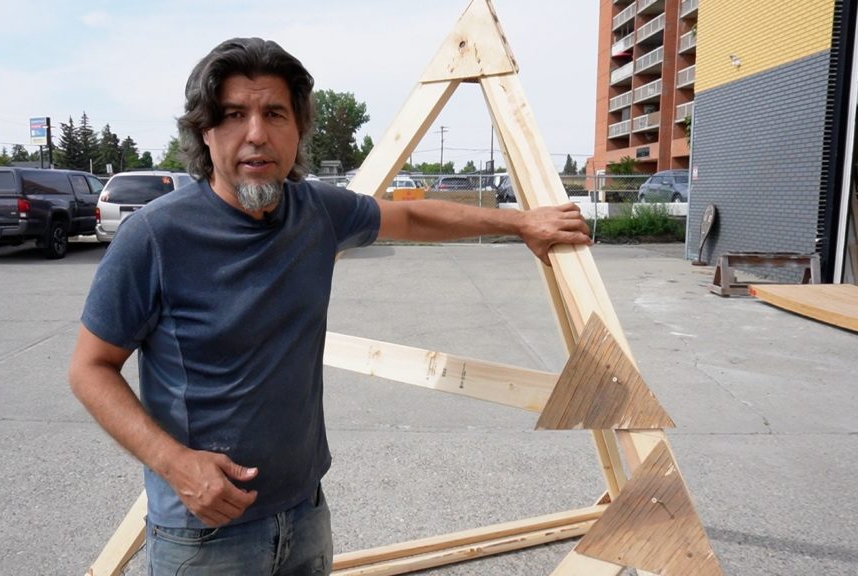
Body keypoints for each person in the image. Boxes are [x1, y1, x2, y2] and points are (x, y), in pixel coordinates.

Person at [69, 37, 591, 575]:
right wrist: (175, 464)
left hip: (305, 514)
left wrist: (521, 222)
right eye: (233, 115)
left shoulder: (316, 211)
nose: (256, 134)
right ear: (206, 132)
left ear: (297, 130)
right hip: (203, 536)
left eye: (274, 113)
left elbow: (413, 219)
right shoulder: (155, 236)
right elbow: (90, 369)